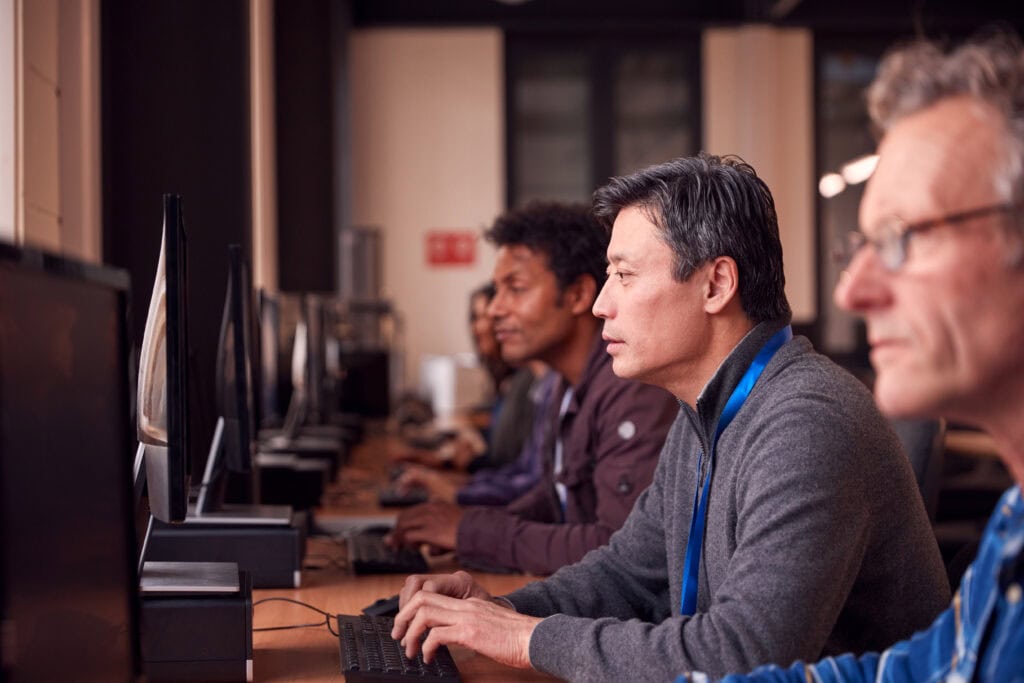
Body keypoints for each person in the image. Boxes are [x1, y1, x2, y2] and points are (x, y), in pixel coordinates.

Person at [388, 155, 951, 681]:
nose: (601, 304)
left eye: (625, 275)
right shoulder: (704, 413)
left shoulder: (805, 424)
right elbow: (628, 573)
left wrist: (526, 638)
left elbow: (741, 658)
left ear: (716, 284)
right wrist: (502, 608)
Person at [692, 31, 1024, 683]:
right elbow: (911, 672)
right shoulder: (1013, 522)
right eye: (863, 245)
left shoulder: (806, 415)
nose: (853, 290)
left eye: (903, 238)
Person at [388, 201, 679, 574]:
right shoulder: (563, 384)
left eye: (516, 288)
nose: (495, 310)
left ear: (577, 296)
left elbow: (619, 548)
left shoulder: (630, 389)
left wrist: (475, 533)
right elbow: (553, 496)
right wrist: (464, 527)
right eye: (497, 290)